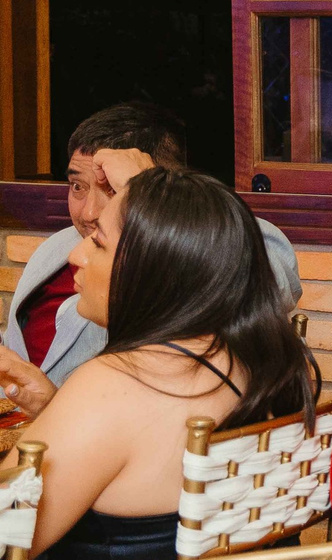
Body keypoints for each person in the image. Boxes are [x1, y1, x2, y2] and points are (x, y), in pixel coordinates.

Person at [0, 156, 317, 560]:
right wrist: (52, 405)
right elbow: (135, 459)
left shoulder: (116, 385)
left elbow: (7, 536)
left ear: (156, 267)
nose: (76, 255)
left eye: (98, 242)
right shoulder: (258, 360)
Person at [3, 102, 301, 390]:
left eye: (112, 188)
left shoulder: (240, 239)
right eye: (78, 187)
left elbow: (257, 291)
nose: (89, 213)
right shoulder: (58, 247)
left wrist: (152, 195)